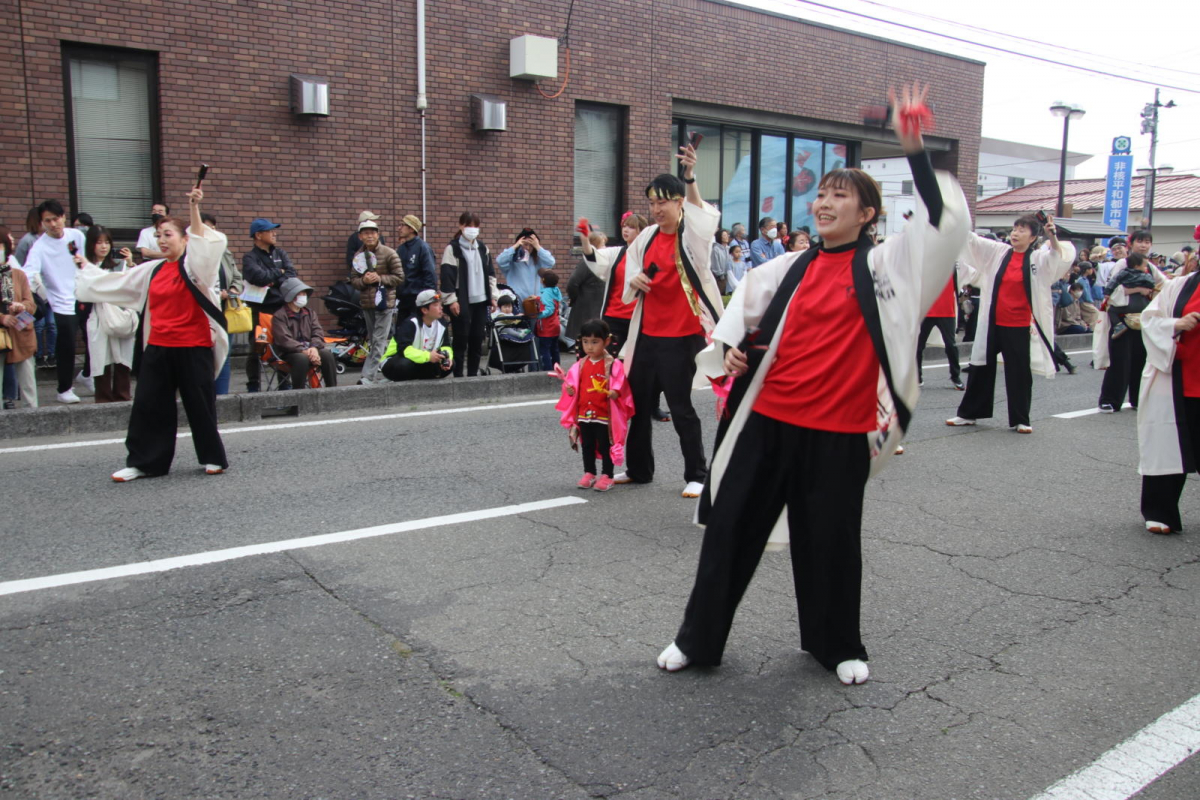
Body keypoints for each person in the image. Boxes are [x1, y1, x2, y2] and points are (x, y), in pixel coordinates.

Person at [656, 83, 969, 684]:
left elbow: (944, 221)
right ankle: (698, 639)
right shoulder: (790, 264)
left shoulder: (888, 265)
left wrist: (914, 147)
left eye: (840, 196)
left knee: (829, 541)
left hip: (839, 430)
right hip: (768, 421)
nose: (824, 203)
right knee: (729, 530)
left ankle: (836, 644)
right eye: (821, 194)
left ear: (868, 213)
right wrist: (734, 352)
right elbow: (742, 310)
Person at [75, 185, 229, 482]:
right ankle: (146, 463)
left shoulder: (197, 267)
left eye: (168, 235)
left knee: (200, 406)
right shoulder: (153, 269)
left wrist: (194, 208)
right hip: (158, 346)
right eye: (158, 236)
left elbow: (204, 244)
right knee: (148, 406)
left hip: (193, 346)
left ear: (185, 239)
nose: (161, 240)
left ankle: (212, 457)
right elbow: (116, 283)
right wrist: (86, 270)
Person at [617, 140, 725, 498]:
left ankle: (697, 473)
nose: (656, 208)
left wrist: (690, 176)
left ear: (679, 203)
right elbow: (629, 266)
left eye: (662, 201)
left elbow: (701, 215)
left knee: (681, 407)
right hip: (647, 334)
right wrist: (635, 279)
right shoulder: (646, 237)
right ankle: (638, 469)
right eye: (651, 202)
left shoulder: (691, 236)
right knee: (640, 406)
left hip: (681, 336)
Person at [947, 214, 1075, 432]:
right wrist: (951, 218)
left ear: (1034, 236)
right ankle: (969, 414)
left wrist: (1052, 236)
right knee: (980, 367)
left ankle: (1021, 419)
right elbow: (972, 241)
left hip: (1019, 324)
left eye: (1022, 230)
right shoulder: (998, 252)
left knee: (1019, 372)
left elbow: (1058, 257)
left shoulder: (1038, 258)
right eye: (1015, 229)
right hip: (993, 322)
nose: (1016, 233)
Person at [1135, 266, 1200, 534]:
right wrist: (1176, 324)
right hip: (1181, 379)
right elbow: (1149, 320)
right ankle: (1160, 510)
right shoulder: (1179, 286)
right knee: (1167, 443)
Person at [554, 319, 634, 493]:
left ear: (606, 341)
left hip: (605, 414)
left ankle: (607, 475)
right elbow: (574, 386)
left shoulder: (613, 364)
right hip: (585, 412)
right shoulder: (581, 364)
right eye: (585, 342)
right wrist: (569, 390)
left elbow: (620, 384)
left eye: (595, 342)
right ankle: (589, 472)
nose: (589, 347)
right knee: (587, 444)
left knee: (606, 445)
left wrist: (614, 392)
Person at [21, 199, 88, 404]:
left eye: (56, 219)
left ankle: (87, 375)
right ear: (42, 223)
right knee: (66, 345)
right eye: (47, 221)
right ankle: (64, 389)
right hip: (61, 302)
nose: (53, 224)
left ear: (63, 217)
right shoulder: (39, 247)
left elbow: (85, 261)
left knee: (94, 337)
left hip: (84, 294)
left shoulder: (76, 235)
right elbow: (27, 273)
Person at [1097, 235, 1162, 413]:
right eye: (1140, 241)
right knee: (1120, 360)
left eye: (1147, 242)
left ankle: (1138, 399)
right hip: (1123, 318)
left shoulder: (1150, 267)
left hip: (1142, 319)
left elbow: (1165, 284)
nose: (1144, 245)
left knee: (1140, 359)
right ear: (1131, 244)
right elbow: (1112, 289)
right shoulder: (1123, 264)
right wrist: (1139, 289)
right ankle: (1110, 400)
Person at [77, 226, 136, 403]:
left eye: (107, 242)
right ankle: (102, 399)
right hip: (95, 315)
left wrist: (131, 264)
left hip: (119, 314)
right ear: (91, 245)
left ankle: (122, 396)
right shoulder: (84, 266)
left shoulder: (119, 264)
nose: (104, 246)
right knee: (100, 357)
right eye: (99, 242)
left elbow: (129, 287)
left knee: (122, 357)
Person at [241, 217, 296, 392]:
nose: (274, 233)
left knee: (283, 345)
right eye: (270, 230)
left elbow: (291, 275)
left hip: (281, 306)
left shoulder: (280, 254)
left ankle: (284, 382)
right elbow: (256, 277)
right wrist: (277, 274)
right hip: (259, 308)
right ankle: (253, 384)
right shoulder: (250, 257)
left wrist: (272, 278)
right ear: (258, 235)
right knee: (257, 346)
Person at [348, 218, 405, 384]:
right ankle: (385, 369)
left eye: (373, 232)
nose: (370, 236)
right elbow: (353, 280)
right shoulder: (358, 256)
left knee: (379, 340)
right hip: (367, 303)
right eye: (366, 233)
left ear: (378, 234)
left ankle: (367, 376)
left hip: (385, 303)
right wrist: (364, 281)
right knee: (374, 341)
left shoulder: (389, 253)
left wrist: (379, 278)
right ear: (360, 236)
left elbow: (399, 277)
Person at [440, 212, 497, 377]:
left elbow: (491, 275)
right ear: (460, 226)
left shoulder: (483, 248)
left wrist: (493, 296)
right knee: (460, 339)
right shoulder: (453, 249)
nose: (472, 229)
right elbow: (447, 276)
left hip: (480, 300)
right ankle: (458, 375)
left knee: (477, 339)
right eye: (468, 225)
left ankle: (472, 375)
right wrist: (451, 300)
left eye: (475, 226)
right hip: (461, 300)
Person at [202, 214, 243, 395]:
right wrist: (215, 294)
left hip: (225, 309)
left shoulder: (224, 252)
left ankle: (222, 397)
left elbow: (237, 276)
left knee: (224, 354)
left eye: (212, 228)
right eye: (204, 228)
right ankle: (204, 395)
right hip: (203, 311)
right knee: (204, 355)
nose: (210, 232)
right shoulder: (192, 255)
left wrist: (233, 289)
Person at [271, 277, 337, 389]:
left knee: (327, 355)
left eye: (304, 293)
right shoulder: (279, 316)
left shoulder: (310, 313)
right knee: (301, 358)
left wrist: (314, 348)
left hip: (310, 349)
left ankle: (332, 393)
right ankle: (299, 398)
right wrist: (304, 350)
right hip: (288, 353)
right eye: (300, 293)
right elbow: (284, 340)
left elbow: (318, 332)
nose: (304, 296)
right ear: (291, 296)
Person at [0, 227, 38, 408]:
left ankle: (34, 415)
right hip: (1, 334)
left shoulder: (18, 274)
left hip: (21, 330)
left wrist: (21, 306)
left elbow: (31, 305)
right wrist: (2, 318)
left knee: (28, 379)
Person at [916, 262, 969, 390]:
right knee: (918, 345)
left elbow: (961, 285)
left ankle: (955, 377)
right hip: (926, 311)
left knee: (951, 345)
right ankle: (917, 377)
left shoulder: (952, 263)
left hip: (947, 312)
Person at [381, 289, 453, 381]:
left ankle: (421, 378)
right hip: (394, 361)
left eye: (440, 304)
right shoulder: (410, 324)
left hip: (422, 360)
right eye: (436, 305)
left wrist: (446, 357)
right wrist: (428, 356)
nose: (441, 308)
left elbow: (446, 346)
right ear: (424, 310)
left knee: (451, 364)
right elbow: (405, 350)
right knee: (405, 364)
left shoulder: (442, 324)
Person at [394, 214, 438, 322]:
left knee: (417, 332)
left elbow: (430, 274)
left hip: (418, 300)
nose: (399, 228)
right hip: (403, 300)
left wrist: (427, 300)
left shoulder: (423, 248)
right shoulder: (401, 249)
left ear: (411, 228)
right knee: (401, 333)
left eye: (402, 225)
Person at [497, 228, 556, 305]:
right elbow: (500, 261)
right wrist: (515, 246)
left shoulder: (538, 260)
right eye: (525, 244)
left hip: (534, 304)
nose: (528, 248)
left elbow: (551, 262)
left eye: (531, 245)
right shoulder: (512, 260)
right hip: (517, 302)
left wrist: (538, 247)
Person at [566, 231, 607, 343]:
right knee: (585, 340)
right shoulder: (587, 262)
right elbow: (573, 282)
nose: (605, 248)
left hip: (597, 307)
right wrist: (575, 298)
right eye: (602, 244)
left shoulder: (605, 262)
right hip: (586, 307)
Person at [535, 270, 564, 371]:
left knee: (545, 350)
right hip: (555, 325)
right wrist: (538, 298)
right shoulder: (555, 290)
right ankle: (557, 368)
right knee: (554, 349)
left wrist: (538, 315)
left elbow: (549, 309)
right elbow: (552, 302)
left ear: (543, 281)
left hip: (547, 327)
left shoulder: (546, 293)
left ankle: (547, 369)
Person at [710, 229, 732, 294]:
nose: (727, 236)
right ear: (720, 237)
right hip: (720, 278)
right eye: (724, 235)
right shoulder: (715, 249)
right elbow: (715, 265)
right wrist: (721, 276)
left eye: (727, 235)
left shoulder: (728, 248)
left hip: (728, 277)